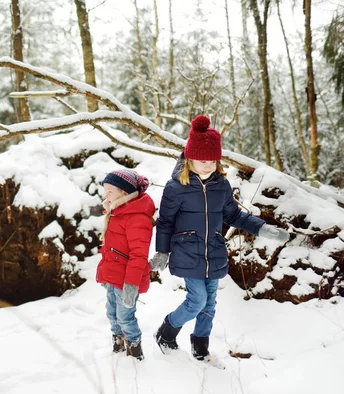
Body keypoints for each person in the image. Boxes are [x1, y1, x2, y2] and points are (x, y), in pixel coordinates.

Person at [150, 115, 289, 366]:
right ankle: (166, 331)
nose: (206, 165)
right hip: (187, 251)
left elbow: (233, 215)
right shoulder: (175, 187)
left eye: (212, 160)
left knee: (210, 304)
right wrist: (162, 252)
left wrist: (263, 229)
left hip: (213, 252)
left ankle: (200, 346)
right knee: (197, 300)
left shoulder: (221, 185)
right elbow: (166, 222)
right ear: (189, 158)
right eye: (201, 160)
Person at [96, 169, 155, 360]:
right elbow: (110, 249)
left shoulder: (137, 218)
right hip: (114, 277)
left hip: (128, 281)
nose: (106, 196)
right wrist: (104, 274)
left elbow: (139, 256)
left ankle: (134, 353)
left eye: (110, 191)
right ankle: (118, 347)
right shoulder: (117, 213)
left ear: (123, 192)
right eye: (105, 192)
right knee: (112, 314)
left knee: (125, 317)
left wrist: (131, 285)